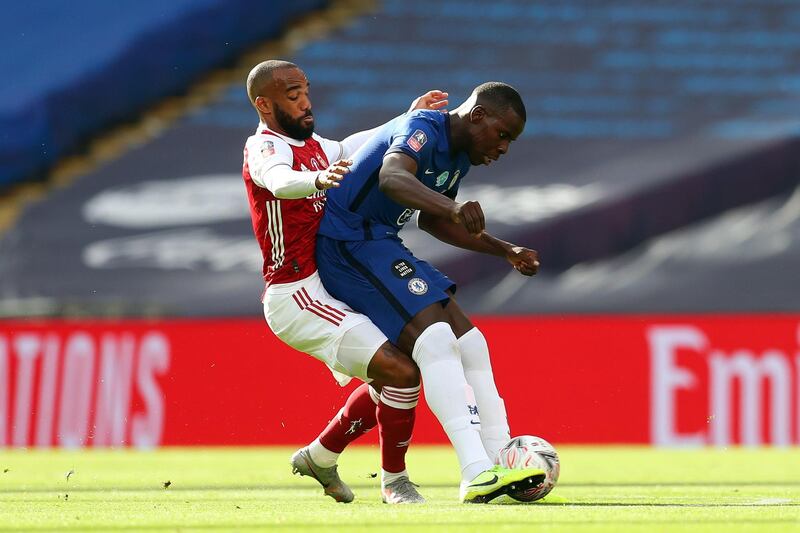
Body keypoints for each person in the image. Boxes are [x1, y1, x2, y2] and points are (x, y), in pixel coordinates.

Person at [315, 82, 545, 503]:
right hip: (346, 244)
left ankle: (502, 460)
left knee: (472, 343)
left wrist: (504, 250)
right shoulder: (423, 126)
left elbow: (434, 221)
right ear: (477, 116)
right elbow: (392, 177)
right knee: (436, 340)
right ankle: (475, 470)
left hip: (380, 243)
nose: (504, 148)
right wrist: (453, 207)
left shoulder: (459, 155)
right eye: (502, 134)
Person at [242, 59, 448, 504]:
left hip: (329, 281)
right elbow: (277, 182)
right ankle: (395, 482)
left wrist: (406, 118)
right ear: (264, 104)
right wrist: (316, 179)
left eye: (305, 91)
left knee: (389, 380)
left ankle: (320, 455)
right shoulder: (264, 148)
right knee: (402, 373)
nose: (305, 103)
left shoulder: (314, 144)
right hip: (295, 294)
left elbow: (358, 145)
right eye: (292, 95)